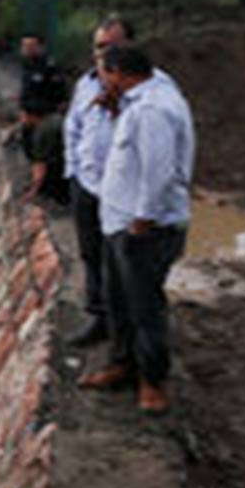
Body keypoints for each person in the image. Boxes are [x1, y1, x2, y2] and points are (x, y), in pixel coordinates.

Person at [77, 46, 195, 416]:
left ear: (118, 72)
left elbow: (157, 171)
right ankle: (122, 364)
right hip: (118, 221)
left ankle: (153, 382)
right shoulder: (138, 99)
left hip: (142, 227)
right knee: (119, 301)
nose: (102, 81)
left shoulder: (152, 109)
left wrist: (142, 219)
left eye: (104, 73)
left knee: (145, 307)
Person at [61, 16, 133, 347]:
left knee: (122, 263)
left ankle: (125, 331)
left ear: (130, 45)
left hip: (123, 193)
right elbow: (73, 128)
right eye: (99, 46)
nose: (105, 52)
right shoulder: (86, 84)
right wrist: (73, 170)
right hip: (86, 185)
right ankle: (99, 318)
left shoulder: (148, 89)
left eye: (113, 45)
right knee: (91, 255)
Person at [20, 98, 70, 206]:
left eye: (24, 116)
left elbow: (40, 168)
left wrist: (33, 191)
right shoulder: (56, 118)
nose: (22, 120)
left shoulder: (41, 134)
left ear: (32, 116)